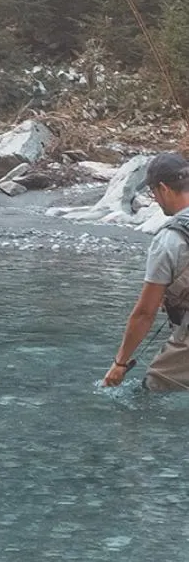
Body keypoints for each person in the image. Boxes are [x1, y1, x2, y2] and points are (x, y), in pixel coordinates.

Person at [103, 151, 189, 391]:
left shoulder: (170, 238)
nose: (156, 200)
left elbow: (144, 314)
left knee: (150, 394)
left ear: (163, 189)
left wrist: (120, 363)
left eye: (153, 193)